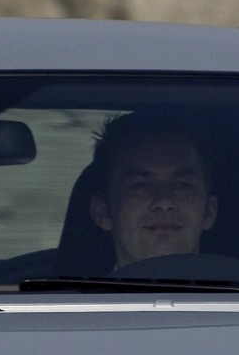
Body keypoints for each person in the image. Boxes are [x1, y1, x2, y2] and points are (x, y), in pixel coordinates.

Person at [86, 113, 218, 269]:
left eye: (183, 185)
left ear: (209, 212)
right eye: (141, 185)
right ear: (102, 213)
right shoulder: (67, 294)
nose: (164, 202)